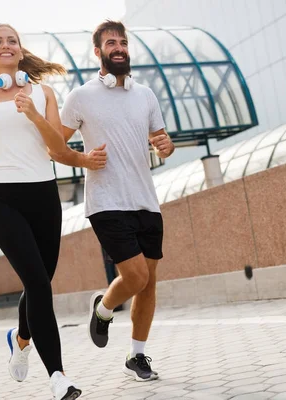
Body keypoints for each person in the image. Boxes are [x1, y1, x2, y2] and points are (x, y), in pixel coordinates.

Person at [0, 23, 105, 400]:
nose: (5, 45)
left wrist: (33, 114)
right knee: (40, 285)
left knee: (38, 282)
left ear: (20, 51)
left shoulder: (43, 93)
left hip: (43, 196)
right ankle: (58, 377)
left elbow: (57, 147)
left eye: (12, 40)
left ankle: (20, 337)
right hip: (1, 200)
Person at [60, 20, 175, 382]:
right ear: (98, 52)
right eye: (111, 43)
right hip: (106, 201)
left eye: (123, 42)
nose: (119, 47)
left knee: (149, 281)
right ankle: (105, 307)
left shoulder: (145, 95)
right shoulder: (81, 97)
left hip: (145, 199)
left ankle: (136, 355)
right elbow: (55, 144)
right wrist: (82, 159)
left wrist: (167, 146)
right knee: (136, 276)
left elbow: (160, 138)